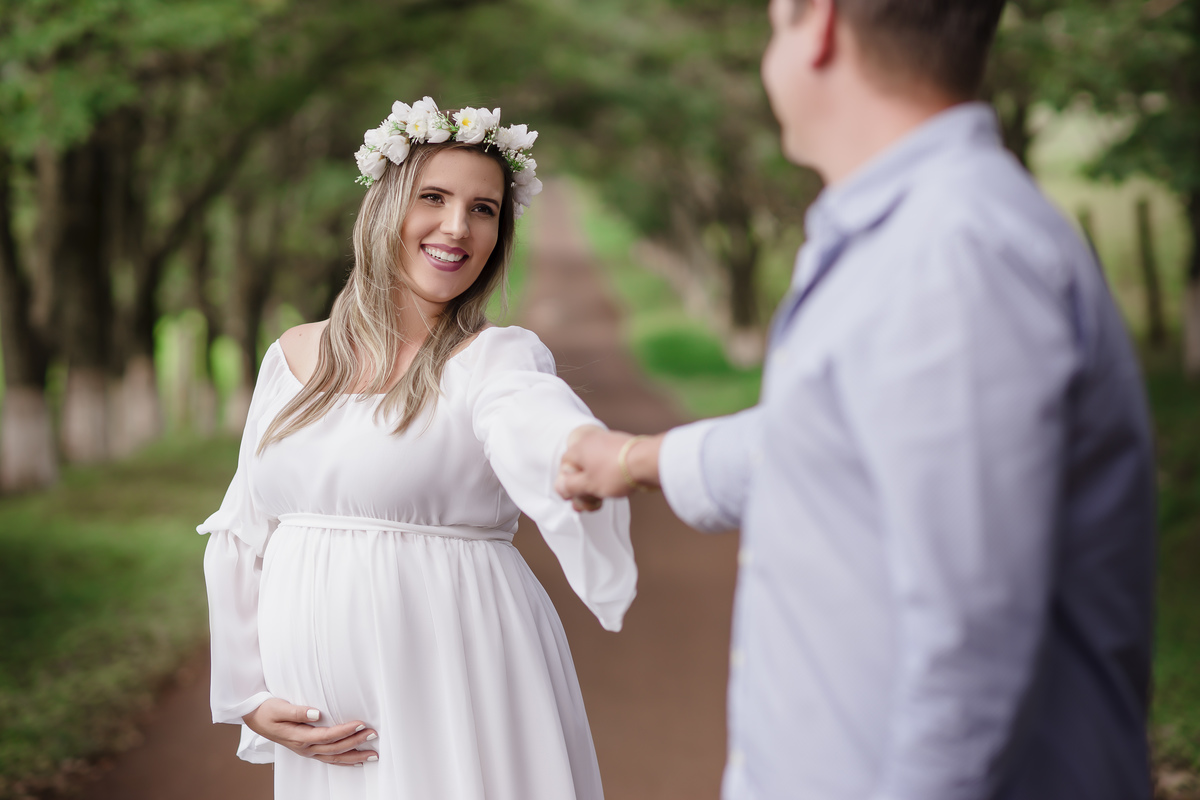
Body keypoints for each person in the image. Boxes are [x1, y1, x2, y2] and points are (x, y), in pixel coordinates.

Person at [556, 1, 1156, 798]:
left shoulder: (953, 255)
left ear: (823, 26)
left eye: (776, 23)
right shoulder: (917, 235)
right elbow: (831, 431)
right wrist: (634, 458)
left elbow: (969, 642)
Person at [197, 97, 636, 800]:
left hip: (458, 684)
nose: (457, 227)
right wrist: (244, 694)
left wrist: (588, 449)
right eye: (433, 197)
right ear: (383, 208)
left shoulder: (497, 358)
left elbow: (536, 419)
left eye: (485, 209)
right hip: (327, 738)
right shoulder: (290, 357)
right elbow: (242, 532)